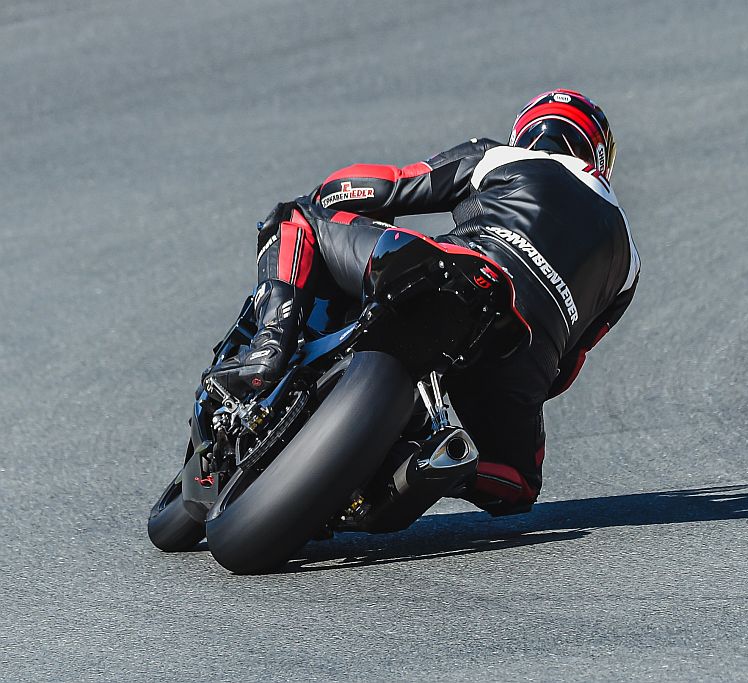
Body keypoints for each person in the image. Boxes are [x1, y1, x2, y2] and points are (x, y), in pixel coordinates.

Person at [205, 89, 640, 515]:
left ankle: (269, 344)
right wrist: (521, 387)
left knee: (293, 216)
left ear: (524, 131)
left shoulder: (503, 157)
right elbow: (567, 368)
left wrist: (327, 195)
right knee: (518, 484)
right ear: (600, 156)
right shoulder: (629, 265)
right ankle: (437, 464)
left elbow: (392, 186)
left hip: (456, 272)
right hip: (522, 354)